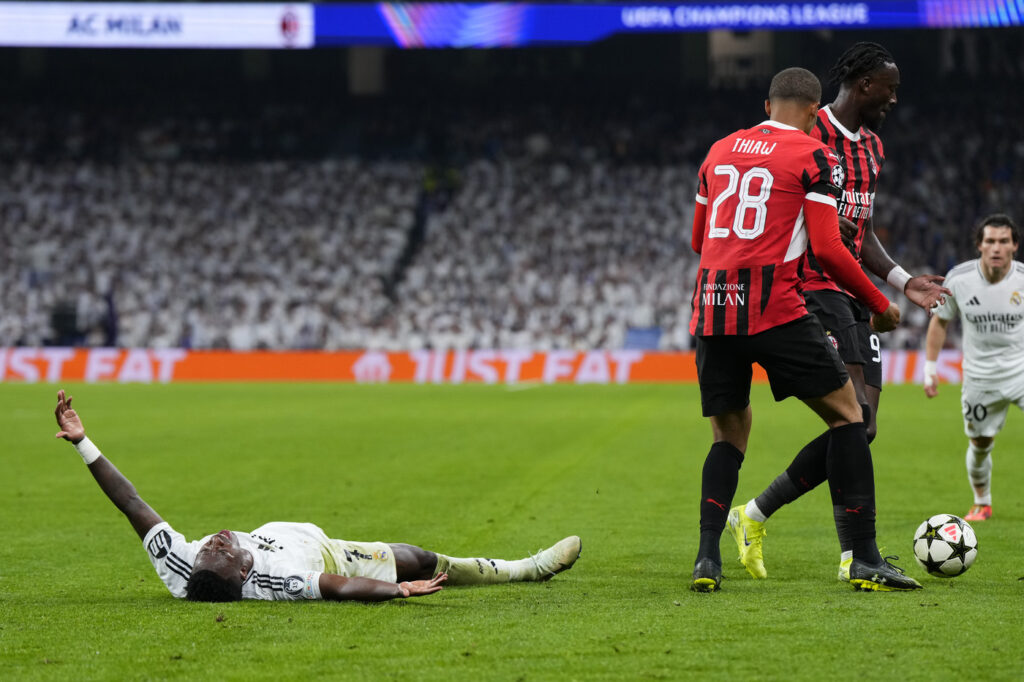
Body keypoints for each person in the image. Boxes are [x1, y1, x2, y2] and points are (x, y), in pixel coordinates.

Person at [688, 66, 920, 592]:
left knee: (728, 434)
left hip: (713, 308)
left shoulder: (718, 149)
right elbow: (828, 248)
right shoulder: (817, 155)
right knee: (850, 415)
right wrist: (880, 302)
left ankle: (706, 559)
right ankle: (862, 556)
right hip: (775, 309)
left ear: (767, 105)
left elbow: (699, 239)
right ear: (816, 114)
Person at [52, 389, 582, 602]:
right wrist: (399, 592)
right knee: (417, 560)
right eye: (222, 548)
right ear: (241, 573)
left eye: (210, 546)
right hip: (324, 550)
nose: (215, 539)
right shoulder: (274, 582)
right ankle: (527, 569)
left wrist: (83, 443)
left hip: (289, 535)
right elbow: (338, 585)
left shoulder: (184, 565)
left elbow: (131, 503)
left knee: (411, 560)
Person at [923, 214, 1024, 523]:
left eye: (1003, 241)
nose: (996, 247)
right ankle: (982, 502)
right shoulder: (959, 279)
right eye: (990, 241)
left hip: (1020, 371)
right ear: (979, 245)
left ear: (1014, 246)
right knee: (980, 444)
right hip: (980, 378)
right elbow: (939, 321)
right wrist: (930, 368)